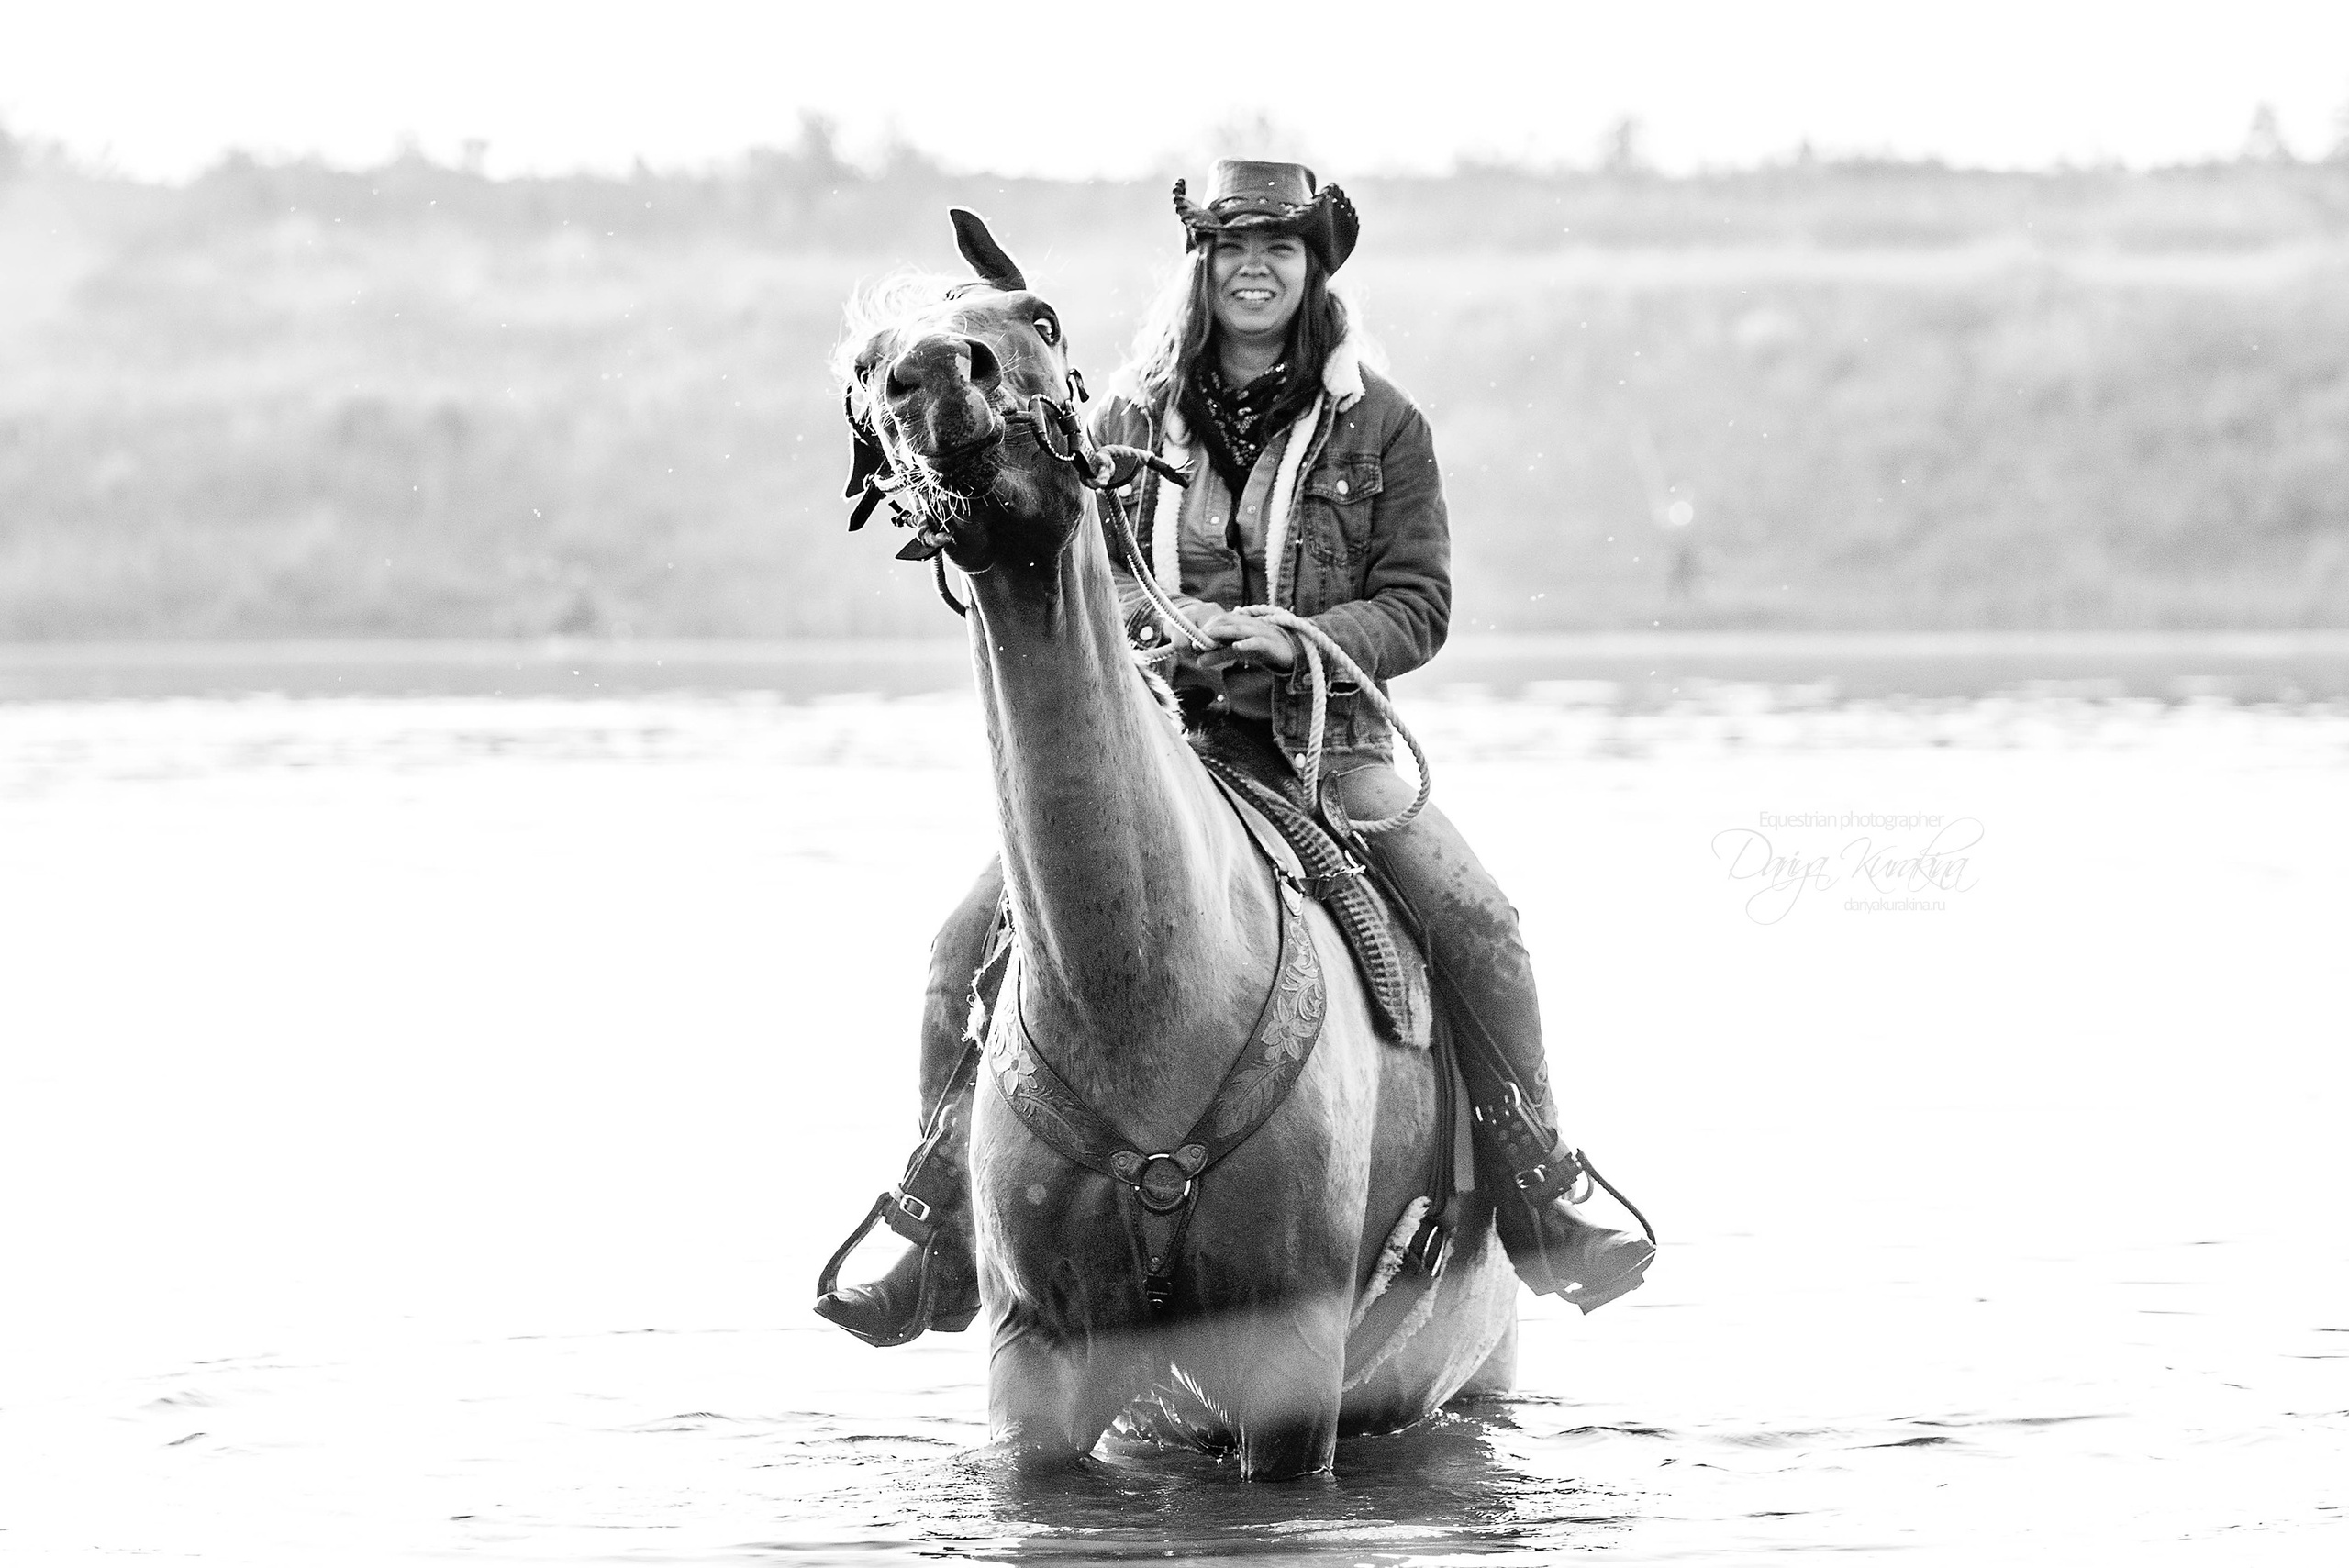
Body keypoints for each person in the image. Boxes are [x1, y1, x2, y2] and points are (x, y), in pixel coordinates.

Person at [816, 161, 1653, 1347]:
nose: (1254, 265)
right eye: (1230, 246)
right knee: (959, 946)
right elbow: (1078, 566)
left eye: (1280, 246)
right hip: (1159, 742)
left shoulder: (1385, 426)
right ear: (1200, 268)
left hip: (1327, 748)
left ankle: (1538, 1173)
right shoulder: (1118, 416)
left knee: (1483, 922)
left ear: (1314, 268)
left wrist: (1293, 634)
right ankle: (943, 1220)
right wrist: (1162, 632)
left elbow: (1419, 604)